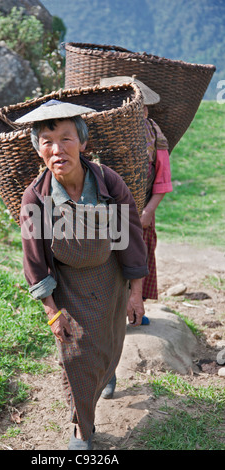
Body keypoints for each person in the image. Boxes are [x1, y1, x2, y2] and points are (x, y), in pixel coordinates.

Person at [16, 99, 149, 450]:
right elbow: (35, 262)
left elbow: (130, 239)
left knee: (108, 340)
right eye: (47, 141)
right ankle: (82, 431)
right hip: (68, 286)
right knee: (74, 356)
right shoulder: (36, 198)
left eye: (66, 138)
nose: (57, 149)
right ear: (39, 150)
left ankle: (107, 372)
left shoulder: (107, 183)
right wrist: (52, 312)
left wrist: (136, 293)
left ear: (83, 142)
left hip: (109, 279)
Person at [100, 76, 173, 399]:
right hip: (100, 223)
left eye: (137, 106)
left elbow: (162, 182)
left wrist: (147, 211)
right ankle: (108, 366)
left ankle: (135, 308)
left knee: (135, 262)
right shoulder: (99, 131)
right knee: (107, 281)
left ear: (143, 110)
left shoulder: (156, 138)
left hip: (138, 215)